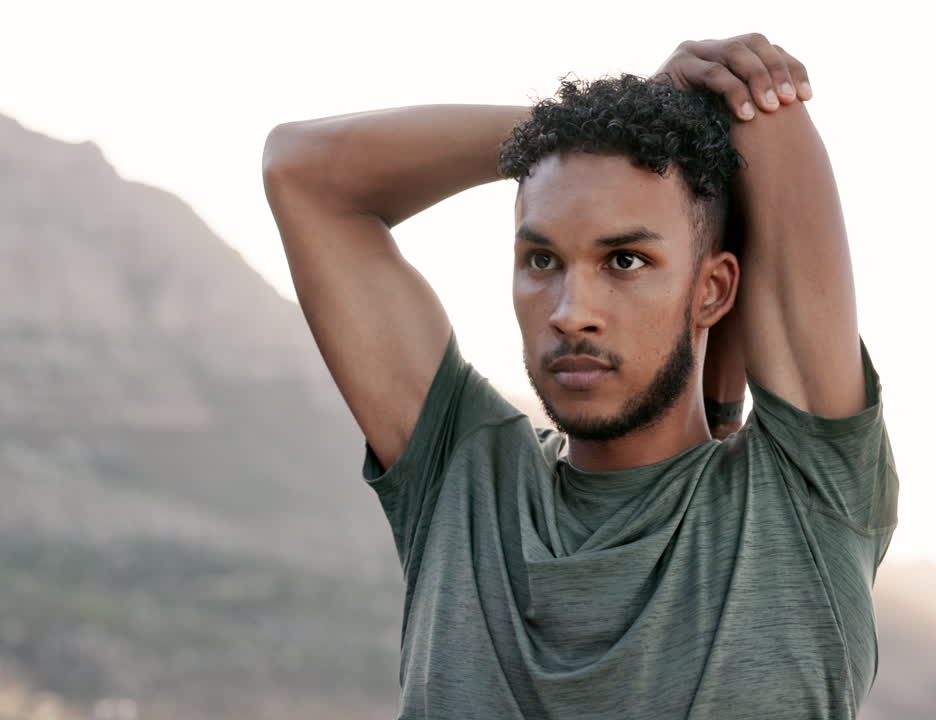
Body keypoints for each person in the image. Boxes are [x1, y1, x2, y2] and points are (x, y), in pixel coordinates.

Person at [262, 32, 898, 720]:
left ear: (712, 290)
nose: (571, 313)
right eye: (542, 260)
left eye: (624, 260)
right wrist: (578, 135)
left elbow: (761, 110)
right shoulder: (464, 479)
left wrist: (629, 131)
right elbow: (301, 169)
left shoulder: (804, 498)